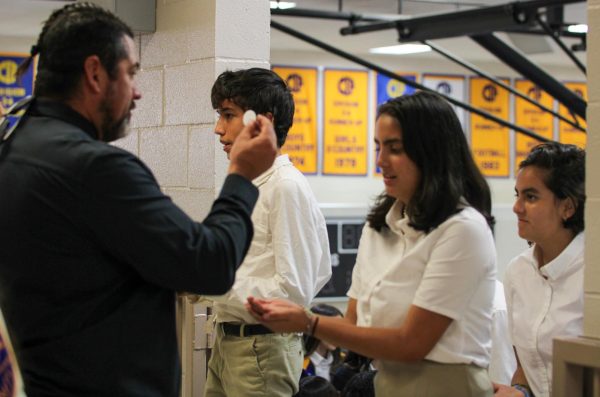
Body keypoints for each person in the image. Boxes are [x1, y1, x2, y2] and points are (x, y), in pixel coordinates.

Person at [0, 3, 278, 396]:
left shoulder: (15, 149)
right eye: (130, 74)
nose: (138, 91)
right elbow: (209, 263)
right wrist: (241, 177)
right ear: (95, 73)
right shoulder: (96, 169)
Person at [247, 91, 498, 397]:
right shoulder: (379, 227)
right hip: (388, 383)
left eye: (395, 149)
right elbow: (355, 326)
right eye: (378, 147)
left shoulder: (463, 229)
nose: (381, 161)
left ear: (431, 152)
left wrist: (308, 323)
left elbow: (412, 344)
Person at [203, 68, 332, 397]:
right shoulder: (247, 184)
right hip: (229, 341)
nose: (219, 129)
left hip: (261, 348)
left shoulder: (285, 187)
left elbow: (293, 292)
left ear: (263, 122)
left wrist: (215, 284)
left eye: (228, 116)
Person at [493, 142, 585, 397]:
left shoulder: (592, 277)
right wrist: (519, 391)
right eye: (517, 195)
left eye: (530, 197)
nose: (516, 207)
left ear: (568, 207)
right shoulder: (517, 273)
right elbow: (525, 367)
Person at [302, 304, 345, 381]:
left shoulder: (344, 361)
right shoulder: (300, 366)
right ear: (314, 328)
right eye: (332, 328)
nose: (337, 335)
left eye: (341, 328)